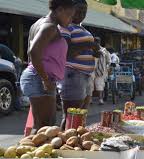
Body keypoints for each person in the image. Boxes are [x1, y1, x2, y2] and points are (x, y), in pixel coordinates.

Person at [20, 0, 75, 132]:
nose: (71, 20)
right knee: (45, 127)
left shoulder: (39, 23)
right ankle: (35, 152)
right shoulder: (49, 27)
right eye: (69, 15)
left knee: (43, 126)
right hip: (40, 79)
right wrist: (45, 79)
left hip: (38, 77)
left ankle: (35, 151)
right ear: (59, 10)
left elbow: (32, 53)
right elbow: (33, 52)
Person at [59, 0, 99, 130]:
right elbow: (66, 52)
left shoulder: (82, 29)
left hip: (86, 76)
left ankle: (76, 144)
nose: (82, 14)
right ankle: (65, 146)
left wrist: (95, 52)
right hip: (73, 74)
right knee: (71, 116)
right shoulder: (65, 27)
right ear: (70, 9)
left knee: (80, 117)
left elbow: (84, 49)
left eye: (84, 11)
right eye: (79, 10)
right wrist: (89, 45)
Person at [85, 37, 111, 106]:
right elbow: (108, 61)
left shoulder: (89, 49)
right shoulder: (104, 51)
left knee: (90, 85)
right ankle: (100, 99)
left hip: (91, 69)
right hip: (101, 70)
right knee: (100, 85)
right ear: (99, 42)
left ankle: (90, 100)